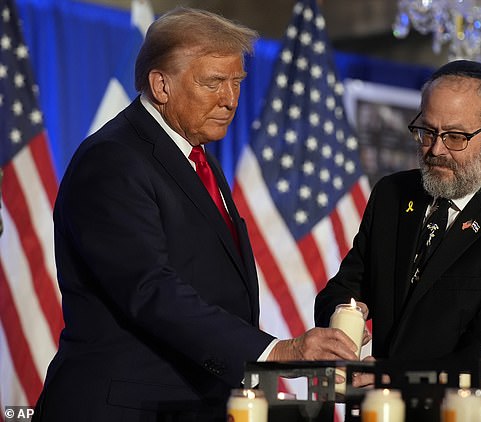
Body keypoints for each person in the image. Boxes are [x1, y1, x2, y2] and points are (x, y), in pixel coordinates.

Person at [34, 8, 358, 422]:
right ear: (161, 84)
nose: (229, 99)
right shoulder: (113, 159)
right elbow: (150, 289)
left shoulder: (196, 155)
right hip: (124, 408)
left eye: (237, 82)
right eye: (213, 83)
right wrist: (276, 351)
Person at [315, 60, 481, 375]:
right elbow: (343, 288)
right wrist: (344, 314)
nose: (436, 149)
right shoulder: (391, 195)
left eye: (455, 137)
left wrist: (395, 380)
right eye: (426, 131)